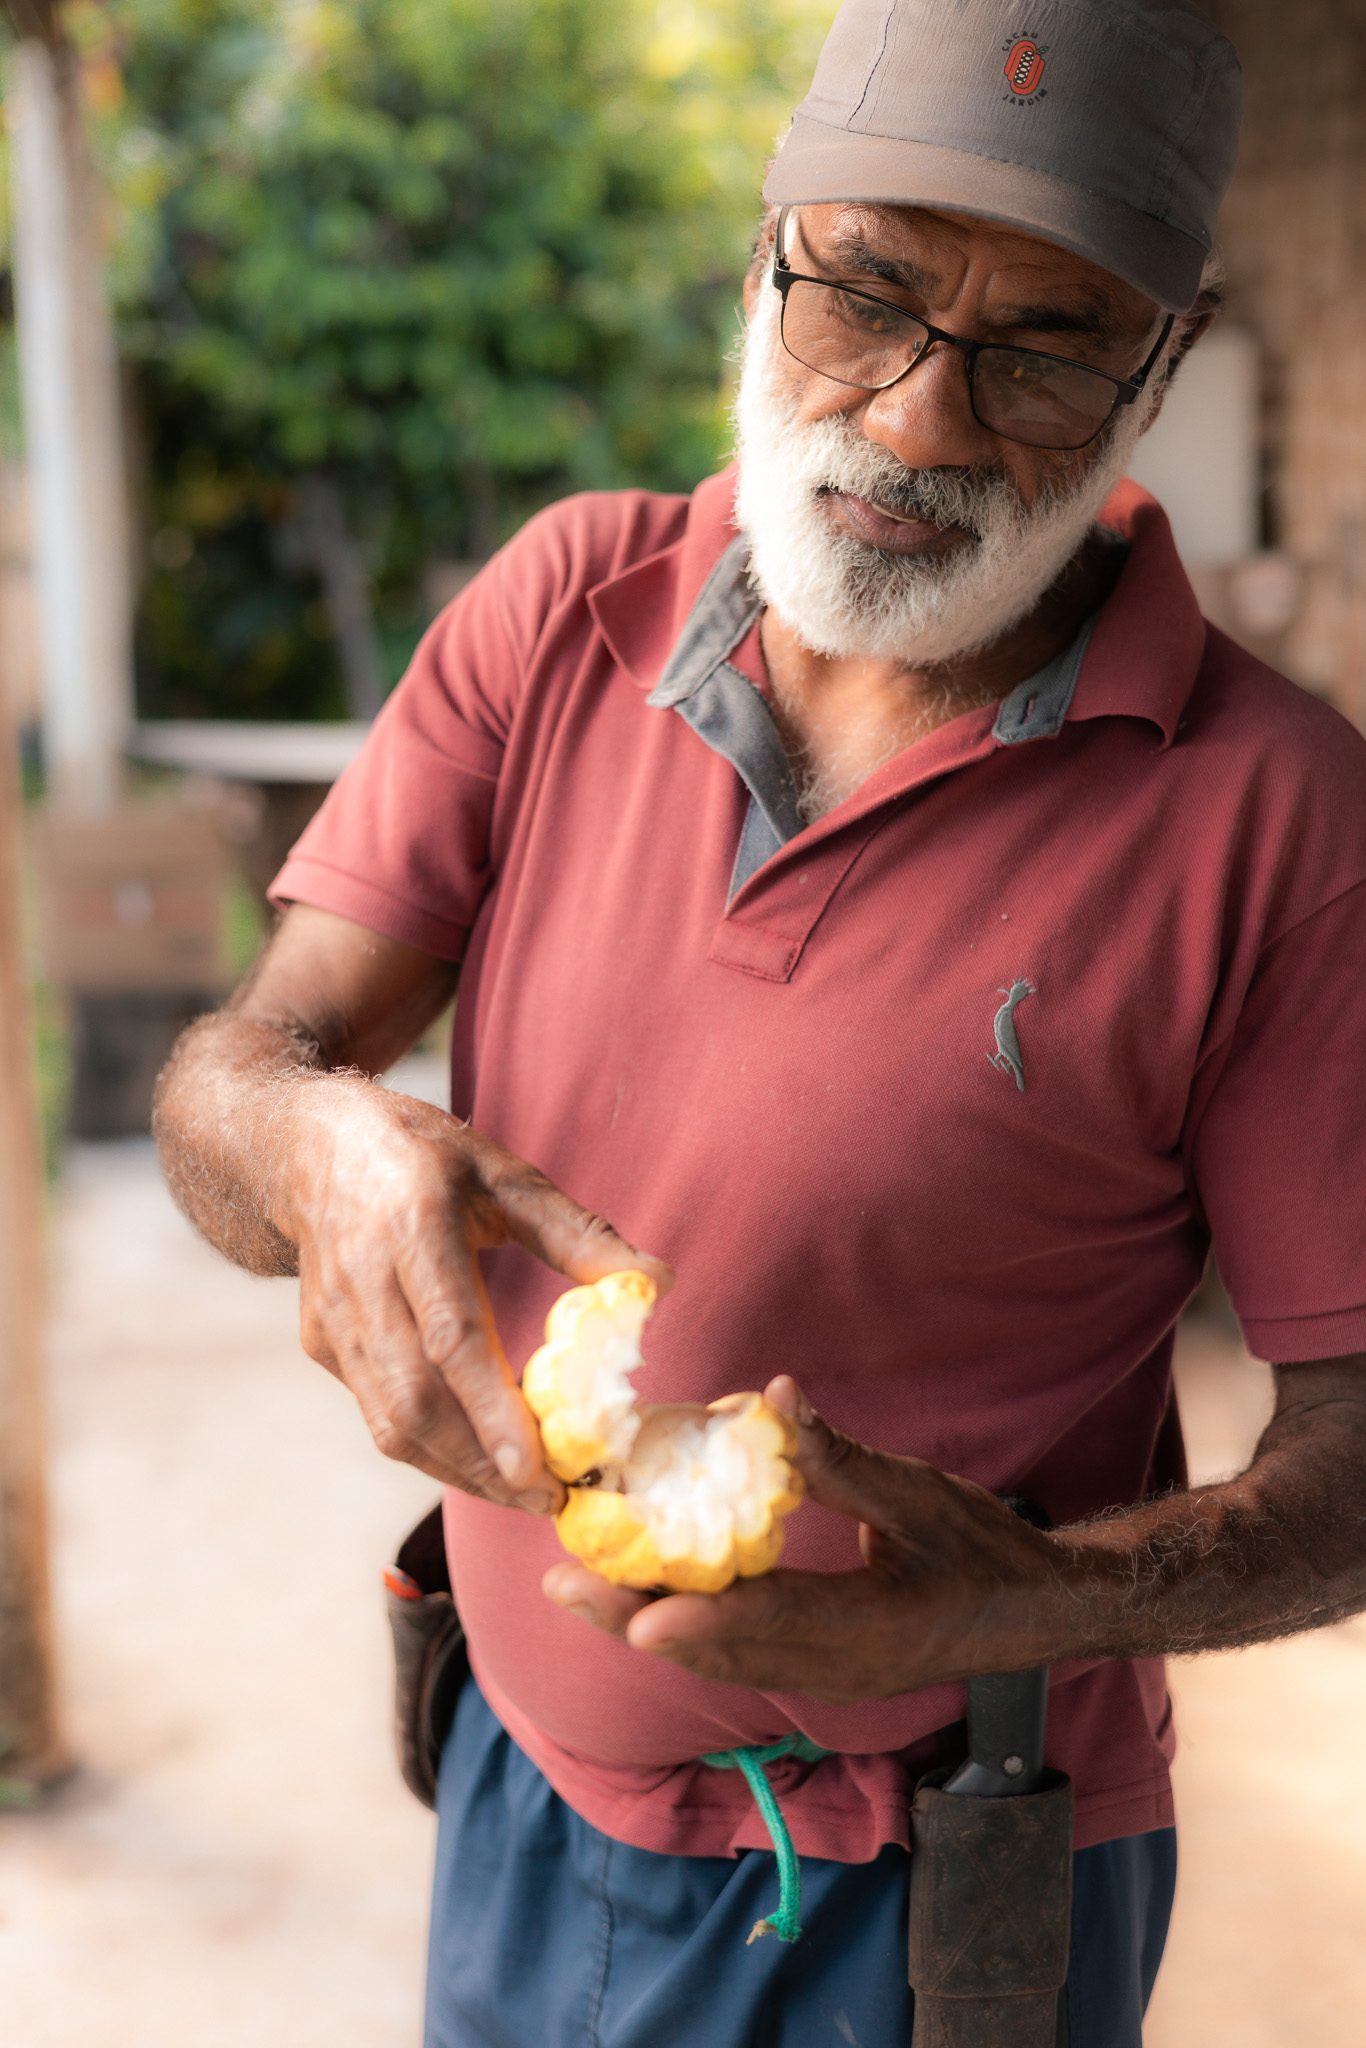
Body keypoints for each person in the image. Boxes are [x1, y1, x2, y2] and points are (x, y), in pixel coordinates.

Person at [154, 2, 1366, 2043]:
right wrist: (307, 1138)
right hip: (519, 1788)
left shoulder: (1276, 820)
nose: (915, 422)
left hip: (939, 1890)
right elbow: (239, 1066)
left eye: (1047, 342)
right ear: (760, 252)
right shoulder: (561, 612)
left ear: (1160, 365)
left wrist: (1035, 1600)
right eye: (865, 289)